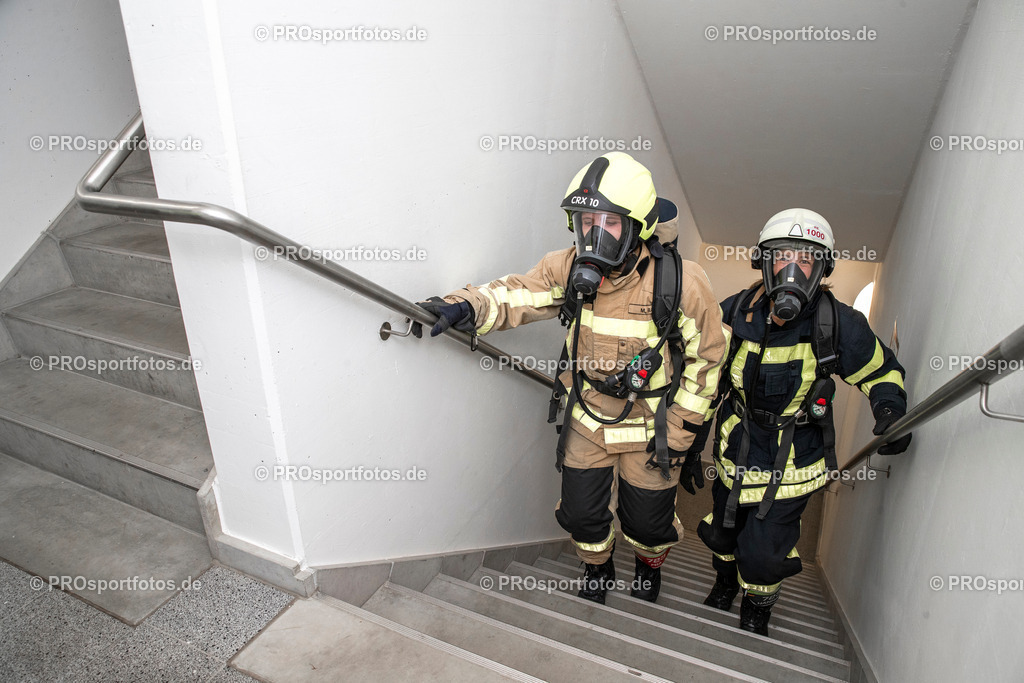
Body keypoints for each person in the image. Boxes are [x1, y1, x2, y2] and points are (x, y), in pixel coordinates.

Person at [419, 152, 728, 604]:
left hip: (650, 427)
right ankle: (598, 568)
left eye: (610, 223)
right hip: (587, 420)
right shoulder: (567, 267)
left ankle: (649, 564)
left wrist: (682, 429)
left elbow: (708, 359)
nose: (594, 236)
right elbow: (517, 292)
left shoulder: (681, 280)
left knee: (648, 524)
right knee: (583, 517)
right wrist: (466, 305)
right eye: (585, 222)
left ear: (639, 226)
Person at [690, 207, 912, 636]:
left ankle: (758, 605)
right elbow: (704, 375)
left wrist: (890, 411)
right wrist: (690, 439)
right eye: (782, 257)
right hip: (735, 449)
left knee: (765, 553)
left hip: (792, 460)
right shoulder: (735, 312)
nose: (792, 269)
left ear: (822, 268)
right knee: (723, 533)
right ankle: (723, 581)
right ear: (764, 262)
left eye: (806, 259)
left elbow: (881, 371)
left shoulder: (839, 324)